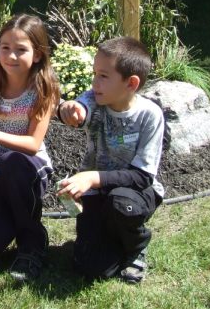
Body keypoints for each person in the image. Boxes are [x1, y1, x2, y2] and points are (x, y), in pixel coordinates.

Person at [57, 37, 164, 284]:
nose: (94, 83)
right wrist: (70, 110)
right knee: (91, 268)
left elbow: (142, 176)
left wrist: (92, 178)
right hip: (96, 193)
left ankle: (137, 245)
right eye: (94, 74)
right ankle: (113, 240)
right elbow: (79, 111)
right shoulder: (95, 99)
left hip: (135, 193)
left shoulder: (149, 115)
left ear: (131, 83)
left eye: (103, 76)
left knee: (121, 204)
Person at [0, 14, 60, 281]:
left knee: (13, 163)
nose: (11, 56)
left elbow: (32, 144)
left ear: (38, 54)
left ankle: (32, 241)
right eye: (5, 48)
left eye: (21, 50)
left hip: (27, 169)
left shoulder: (44, 88)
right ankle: (5, 218)